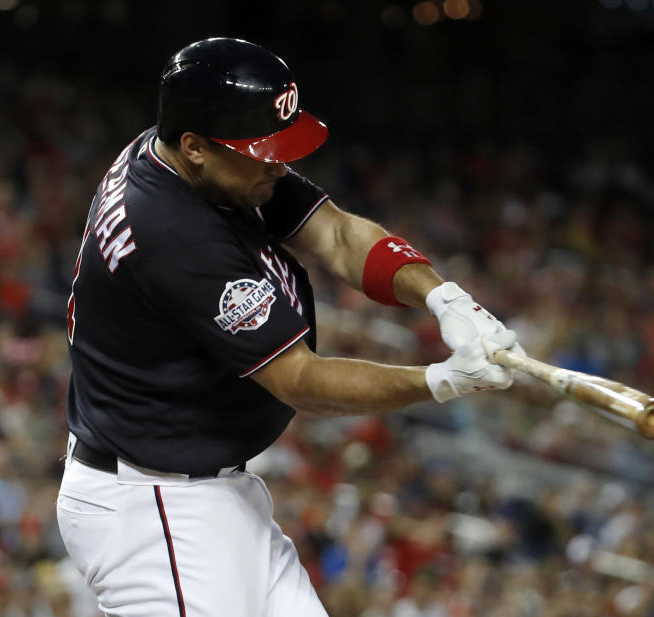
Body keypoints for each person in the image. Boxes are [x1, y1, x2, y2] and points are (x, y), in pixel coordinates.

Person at [56, 37, 523, 617]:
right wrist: (438, 381)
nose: (277, 162)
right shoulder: (172, 232)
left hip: (210, 495)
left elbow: (335, 234)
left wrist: (445, 298)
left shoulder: (195, 160)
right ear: (196, 147)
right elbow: (300, 381)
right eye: (259, 149)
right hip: (154, 510)